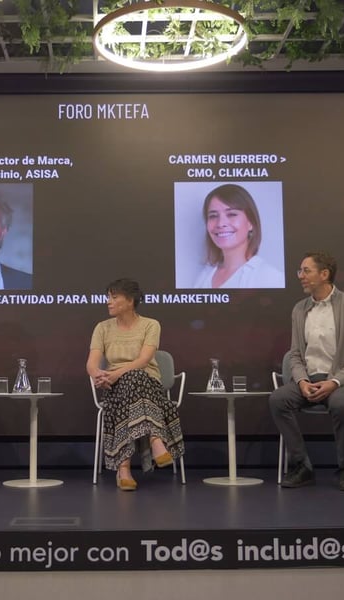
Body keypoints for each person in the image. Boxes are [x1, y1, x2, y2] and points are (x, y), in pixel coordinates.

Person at [268, 252, 344, 491]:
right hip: (310, 380)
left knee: (340, 404)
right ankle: (302, 466)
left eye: (306, 271)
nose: (300, 276)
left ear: (324, 274)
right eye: (300, 271)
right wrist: (302, 382)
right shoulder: (299, 309)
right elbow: (295, 354)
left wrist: (334, 382)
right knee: (278, 399)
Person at [86, 278, 185, 491]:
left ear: (130, 301)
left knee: (137, 376)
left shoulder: (151, 325)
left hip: (149, 385)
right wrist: (99, 376)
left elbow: (143, 360)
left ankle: (124, 469)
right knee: (131, 381)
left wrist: (116, 374)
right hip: (115, 389)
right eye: (108, 297)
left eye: (114, 297)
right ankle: (156, 440)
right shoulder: (102, 328)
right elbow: (92, 363)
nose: (108, 302)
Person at [192, 184, 283, 288]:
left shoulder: (270, 277)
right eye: (213, 216)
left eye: (231, 214)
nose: (221, 223)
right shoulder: (205, 275)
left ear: (250, 223)